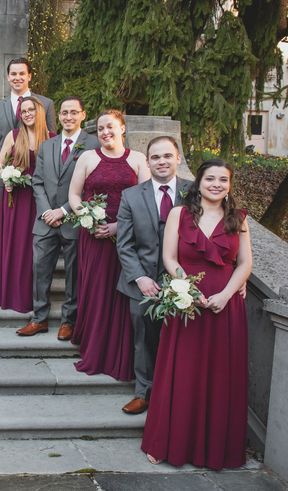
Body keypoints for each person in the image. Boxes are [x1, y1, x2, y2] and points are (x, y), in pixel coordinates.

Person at [142, 159, 252, 470]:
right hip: (186, 305)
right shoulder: (179, 214)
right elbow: (169, 257)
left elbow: (245, 263)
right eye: (210, 179)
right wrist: (187, 290)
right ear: (198, 183)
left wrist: (227, 294)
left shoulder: (239, 219)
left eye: (223, 180)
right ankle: (167, 443)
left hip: (225, 307)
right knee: (181, 374)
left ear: (230, 185)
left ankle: (216, 449)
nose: (216, 184)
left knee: (220, 376)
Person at [68, 109, 150, 381]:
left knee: (120, 296)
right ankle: (94, 347)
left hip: (126, 239)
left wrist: (118, 226)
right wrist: (87, 218)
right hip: (93, 239)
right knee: (96, 292)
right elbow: (74, 195)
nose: (105, 132)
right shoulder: (88, 158)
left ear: (123, 129)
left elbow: (146, 203)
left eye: (110, 127)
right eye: (100, 128)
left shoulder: (138, 160)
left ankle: (120, 353)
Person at [116, 136, 190, 414]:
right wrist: (140, 278)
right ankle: (143, 392)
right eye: (156, 157)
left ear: (178, 158)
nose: (161, 162)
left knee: (183, 342)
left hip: (185, 283)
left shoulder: (195, 192)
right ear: (147, 162)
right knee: (143, 339)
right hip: (141, 283)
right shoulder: (131, 196)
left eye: (167, 156)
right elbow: (124, 244)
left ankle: (176, 394)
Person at [18, 96, 99, 338]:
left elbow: (90, 187)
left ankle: (69, 320)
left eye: (74, 112)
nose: (68, 117)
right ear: (59, 115)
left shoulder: (93, 144)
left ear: (83, 115)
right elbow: (38, 181)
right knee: (39, 270)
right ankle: (39, 318)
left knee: (74, 274)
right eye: (65, 112)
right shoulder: (48, 144)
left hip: (73, 220)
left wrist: (63, 211)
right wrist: (46, 212)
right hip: (45, 221)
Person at [0, 57, 55, 285]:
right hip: (7, 178)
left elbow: (52, 138)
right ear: (7, 77)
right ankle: (2, 269)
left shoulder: (46, 103)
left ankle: (31, 273)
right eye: (13, 74)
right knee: (3, 226)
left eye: (22, 74)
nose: (17, 78)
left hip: (39, 178)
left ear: (30, 76)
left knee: (32, 230)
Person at [0, 96, 48, 313]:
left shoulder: (51, 138)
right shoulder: (14, 136)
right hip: (16, 200)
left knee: (34, 252)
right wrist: (7, 177)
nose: (26, 114)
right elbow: (0, 164)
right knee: (16, 248)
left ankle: (33, 296)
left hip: (41, 202)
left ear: (39, 111)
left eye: (30, 109)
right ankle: (13, 295)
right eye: (23, 111)